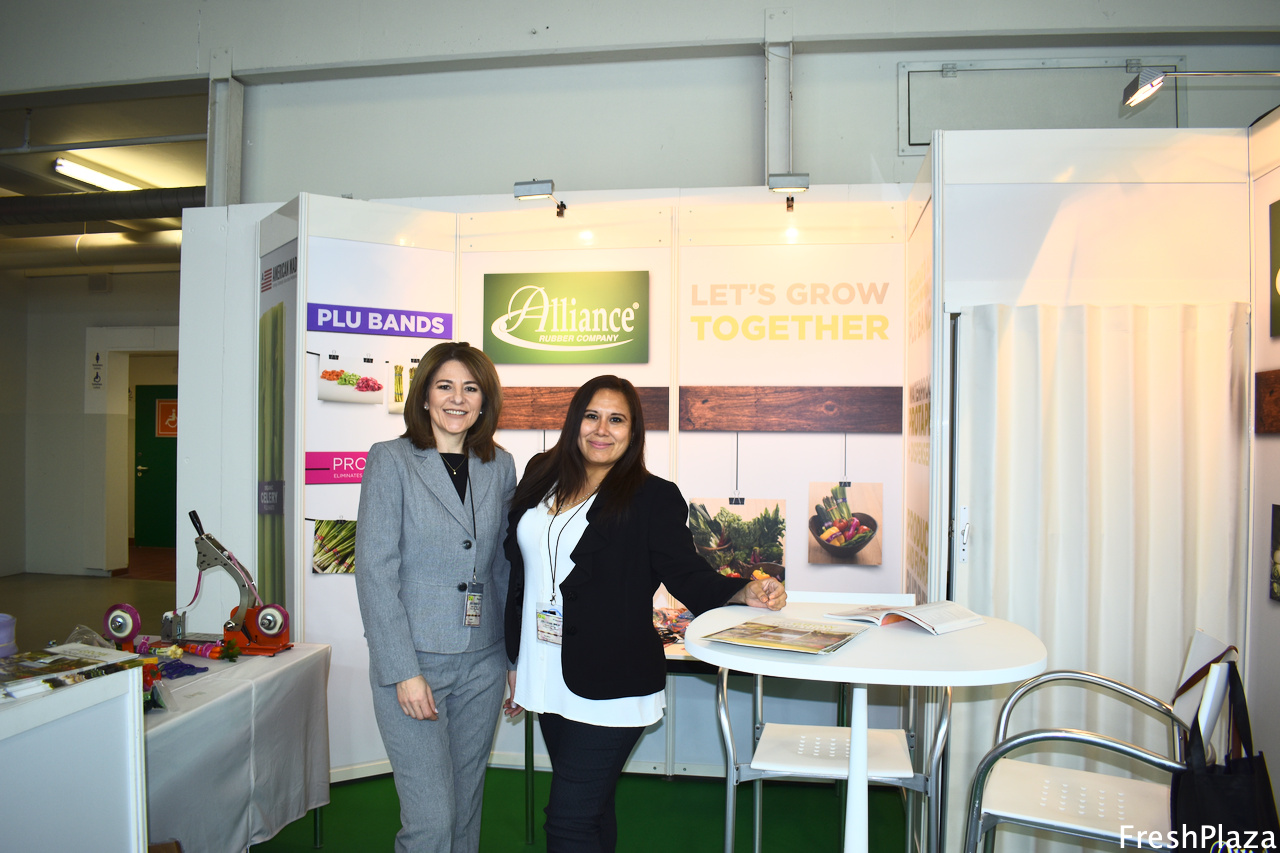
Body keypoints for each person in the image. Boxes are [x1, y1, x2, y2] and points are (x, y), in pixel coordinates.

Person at [502, 374, 786, 852]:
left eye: (617, 420)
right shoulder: (540, 473)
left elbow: (687, 575)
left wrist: (743, 592)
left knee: (569, 821)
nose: (602, 429)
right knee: (592, 810)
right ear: (574, 422)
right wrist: (514, 658)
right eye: (592, 416)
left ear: (633, 432)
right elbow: (517, 571)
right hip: (546, 668)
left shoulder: (652, 496)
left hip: (611, 681)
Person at [355, 340, 517, 853]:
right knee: (431, 820)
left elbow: (503, 567)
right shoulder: (391, 460)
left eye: (471, 388)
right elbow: (375, 573)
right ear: (424, 396)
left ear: (485, 401)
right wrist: (403, 671)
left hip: (484, 661)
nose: (457, 399)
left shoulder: (500, 465)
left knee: (465, 809)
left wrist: (514, 660)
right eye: (444, 386)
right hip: (415, 663)